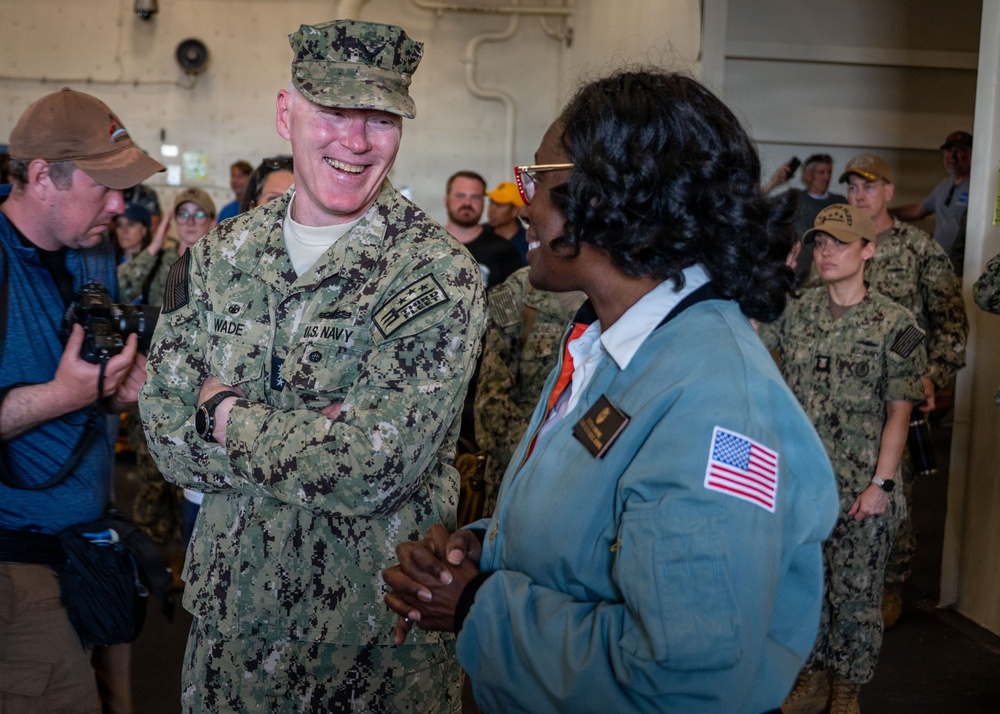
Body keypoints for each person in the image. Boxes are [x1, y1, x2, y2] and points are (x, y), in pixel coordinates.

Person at [384, 69, 840, 714]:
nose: (523, 206)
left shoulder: (717, 405)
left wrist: (478, 605)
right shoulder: (610, 347)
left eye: (533, 181)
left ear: (600, 195)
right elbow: (600, 525)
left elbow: (686, 680)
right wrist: (483, 550)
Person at [139, 19, 485, 712]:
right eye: (332, 111)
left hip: (375, 654)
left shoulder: (440, 276)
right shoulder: (213, 260)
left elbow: (370, 468)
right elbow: (168, 444)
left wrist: (225, 414)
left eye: (380, 117)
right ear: (285, 113)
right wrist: (310, 436)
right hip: (232, 646)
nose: (355, 141)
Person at [0, 87, 161, 713]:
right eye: (105, 185)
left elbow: (95, 393)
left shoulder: (94, 251)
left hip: (93, 545)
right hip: (17, 555)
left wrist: (116, 394)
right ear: (43, 177)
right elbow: (68, 391)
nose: (121, 205)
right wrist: (65, 394)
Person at [759, 204, 925, 713]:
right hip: (800, 487)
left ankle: (846, 691)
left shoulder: (897, 324)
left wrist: (882, 485)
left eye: (839, 243)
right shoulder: (796, 312)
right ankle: (805, 677)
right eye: (819, 243)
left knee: (855, 598)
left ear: (868, 250)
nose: (826, 252)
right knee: (800, 592)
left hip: (861, 490)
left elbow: (900, 413)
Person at [840, 153, 968, 627]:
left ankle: (890, 584)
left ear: (889, 193)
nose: (859, 195)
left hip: (899, 395)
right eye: (852, 187)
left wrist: (931, 375)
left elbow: (950, 325)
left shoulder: (918, 250)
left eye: (868, 187)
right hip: (841, 399)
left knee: (894, 497)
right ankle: (839, 587)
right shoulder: (835, 246)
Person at [473, 266, 584, 516]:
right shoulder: (519, 290)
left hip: (583, 484)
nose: (530, 232)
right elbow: (490, 403)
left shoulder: (620, 289)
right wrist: (543, 463)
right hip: (514, 476)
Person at [890, 131, 972, 258]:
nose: (952, 156)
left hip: (965, 265)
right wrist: (884, 213)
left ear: (972, 153)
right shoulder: (944, 185)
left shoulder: (978, 188)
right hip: (939, 261)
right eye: (948, 150)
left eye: (960, 150)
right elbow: (918, 210)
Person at [445, 171, 523, 290]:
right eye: (460, 196)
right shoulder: (424, 246)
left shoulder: (505, 250)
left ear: (482, 202)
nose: (467, 203)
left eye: (475, 197)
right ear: (446, 200)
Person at [485, 181, 528, 264]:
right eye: (491, 202)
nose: (491, 210)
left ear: (515, 211)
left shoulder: (527, 243)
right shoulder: (480, 234)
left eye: (499, 205)